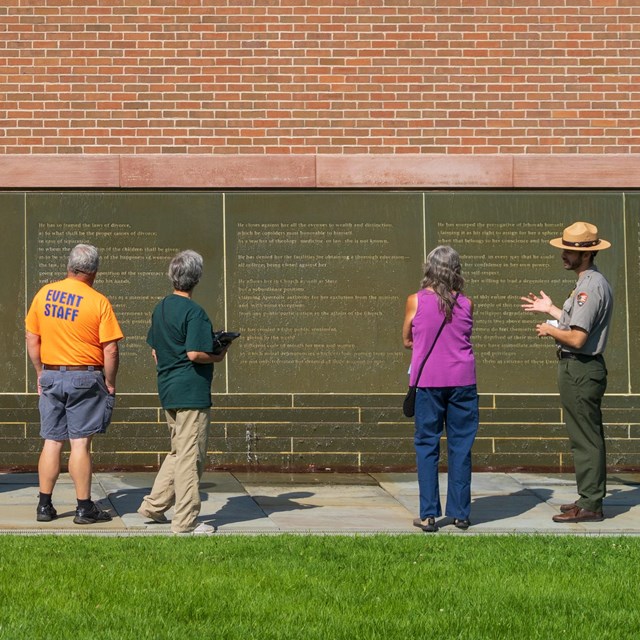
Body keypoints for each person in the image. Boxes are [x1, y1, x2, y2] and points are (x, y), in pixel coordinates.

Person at [521, 221, 613, 523]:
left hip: (580, 368)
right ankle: (588, 497)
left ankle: (590, 505)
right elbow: (576, 322)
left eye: (569, 250)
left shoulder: (590, 287)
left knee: (585, 438)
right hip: (580, 368)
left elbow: (577, 338)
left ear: (586, 254)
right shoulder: (589, 282)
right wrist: (551, 310)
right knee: (586, 435)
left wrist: (549, 330)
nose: (563, 254)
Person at [25, 243, 123, 525]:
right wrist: (110, 382)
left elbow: (32, 337)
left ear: (69, 267)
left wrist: (40, 372)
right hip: (85, 377)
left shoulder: (44, 294)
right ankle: (83, 508)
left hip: (52, 374)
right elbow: (111, 349)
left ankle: (44, 505)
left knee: (52, 441)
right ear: (94, 272)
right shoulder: (98, 301)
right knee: (80, 444)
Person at [138, 250, 229, 535]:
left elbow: (155, 350)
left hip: (168, 389)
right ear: (197, 278)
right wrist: (218, 355)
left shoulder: (161, 307)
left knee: (178, 452)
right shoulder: (195, 313)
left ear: (172, 276)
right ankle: (185, 522)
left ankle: (154, 506)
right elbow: (194, 353)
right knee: (191, 458)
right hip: (192, 391)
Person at [402, 245, 479, 532]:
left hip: (428, 383)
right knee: (461, 447)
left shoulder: (415, 301)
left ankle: (428, 515)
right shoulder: (467, 303)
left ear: (429, 269)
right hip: (463, 382)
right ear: (456, 270)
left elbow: (407, 339)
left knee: (427, 446)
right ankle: (460, 513)